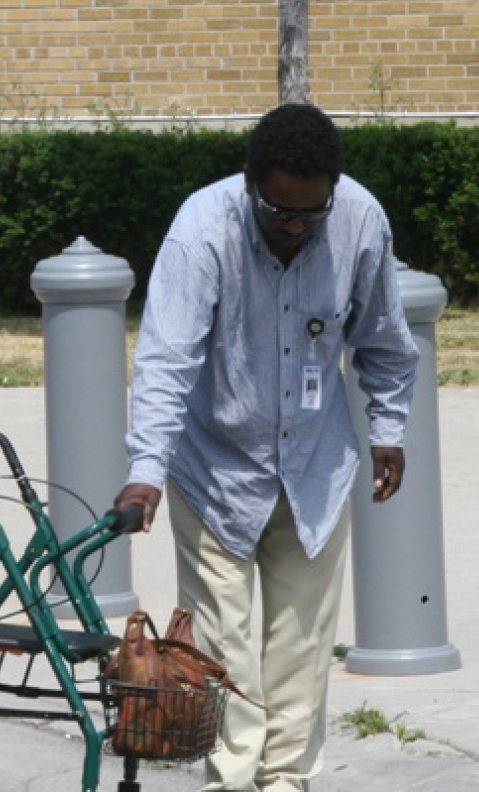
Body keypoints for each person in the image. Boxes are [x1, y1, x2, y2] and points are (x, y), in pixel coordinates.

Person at [114, 103, 419, 792]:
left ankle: (287, 781)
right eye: (279, 210)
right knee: (223, 651)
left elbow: (387, 345)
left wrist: (388, 429)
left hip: (316, 466)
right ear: (251, 184)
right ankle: (233, 778)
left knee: (301, 647)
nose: (294, 226)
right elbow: (165, 362)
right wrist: (145, 471)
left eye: (311, 214)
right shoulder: (202, 228)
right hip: (213, 470)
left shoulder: (360, 221)